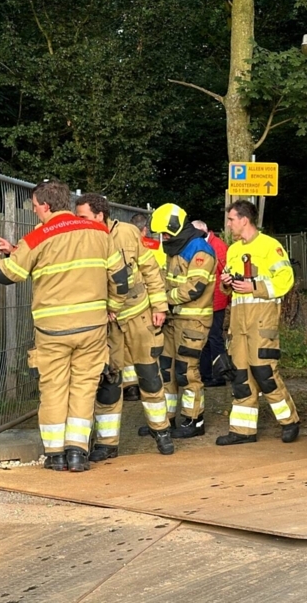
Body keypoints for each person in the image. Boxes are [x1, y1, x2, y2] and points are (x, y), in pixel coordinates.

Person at [0, 180, 129, 472]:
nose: (34, 211)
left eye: (34, 206)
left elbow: (7, 274)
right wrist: (113, 309)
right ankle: (77, 453)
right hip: (92, 328)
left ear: (45, 206)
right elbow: (121, 280)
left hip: (52, 331)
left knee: (54, 389)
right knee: (84, 388)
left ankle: (56, 455)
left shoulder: (38, 238)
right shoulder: (99, 232)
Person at [75, 193, 174, 460]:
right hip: (109, 324)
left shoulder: (129, 233)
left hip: (140, 316)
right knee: (109, 382)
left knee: (150, 376)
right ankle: (107, 444)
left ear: (99, 215)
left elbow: (151, 269)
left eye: (83, 216)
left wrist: (160, 307)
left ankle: (161, 430)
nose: (78, 221)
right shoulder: (83, 239)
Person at [216, 199, 300, 446]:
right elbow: (228, 287)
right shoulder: (233, 249)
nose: (229, 224)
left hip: (262, 320)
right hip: (239, 324)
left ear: (244, 219)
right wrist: (226, 282)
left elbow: (286, 279)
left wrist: (255, 286)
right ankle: (243, 431)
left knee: (265, 374)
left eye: (231, 219)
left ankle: (289, 422)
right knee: (240, 376)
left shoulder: (269, 246)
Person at [146, 203, 216, 439]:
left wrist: (162, 300)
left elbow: (194, 288)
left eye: (165, 233)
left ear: (175, 229)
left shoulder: (200, 250)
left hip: (193, 322)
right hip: (173, 320)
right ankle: (166, 421)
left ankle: (194, 420)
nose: (163, 238)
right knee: (167, 371)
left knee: (187, 372)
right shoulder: (176, 248)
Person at [191, 220, 229, 387]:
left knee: (214, 338)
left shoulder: (217, 246)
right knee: (206, 339)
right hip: (207, 300)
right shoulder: (210, 244)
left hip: (216, 300)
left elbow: (225, 272)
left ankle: (220, 374)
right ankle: (207, 374)